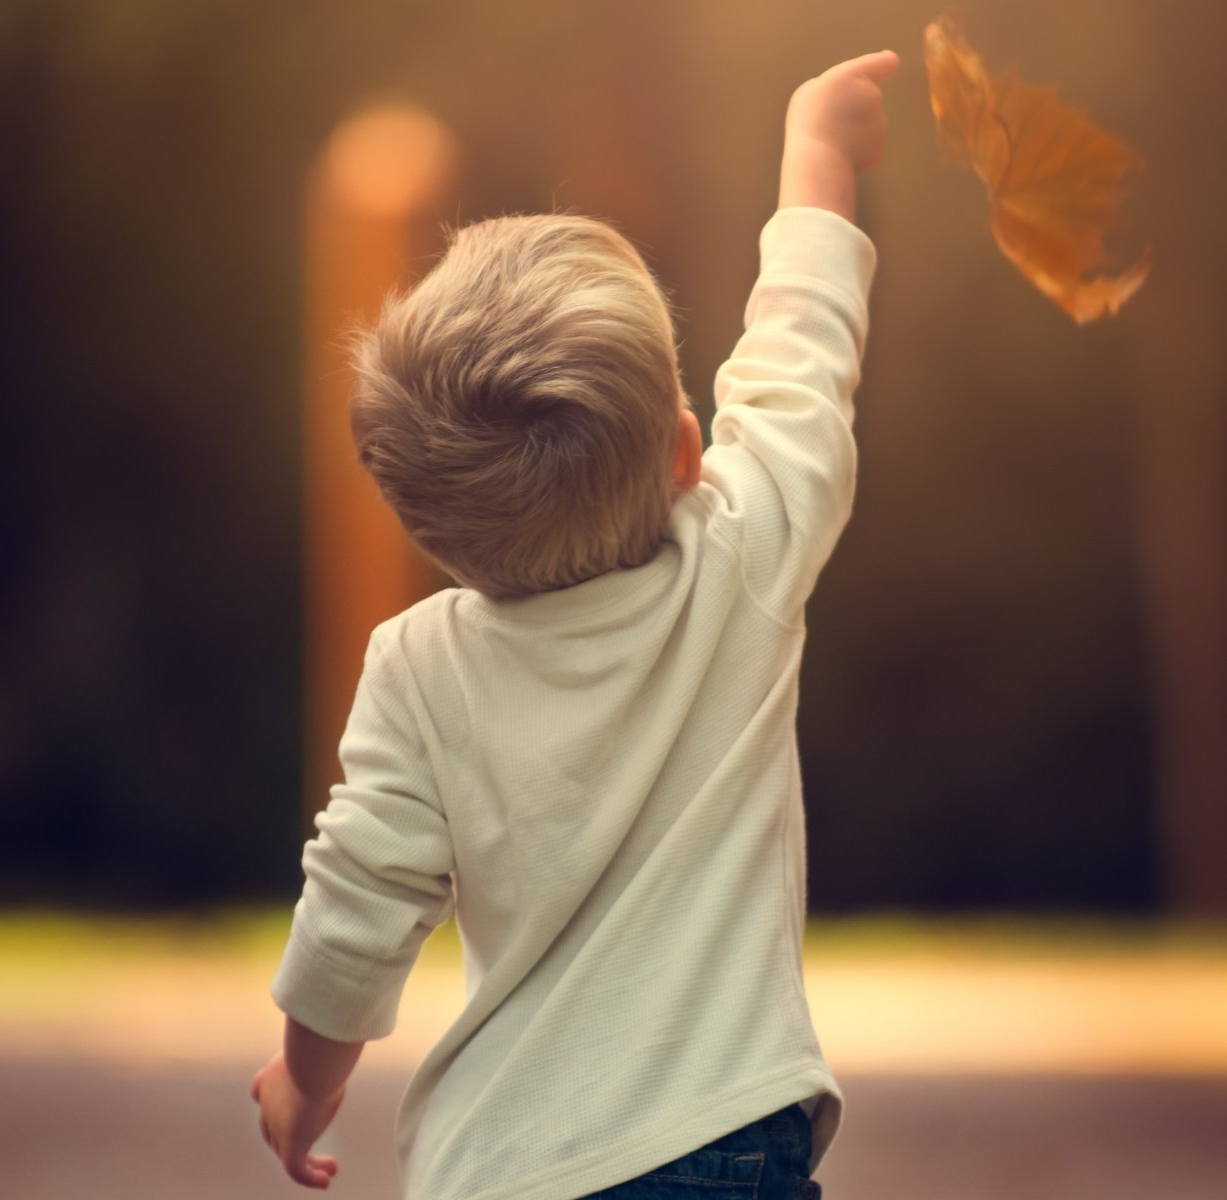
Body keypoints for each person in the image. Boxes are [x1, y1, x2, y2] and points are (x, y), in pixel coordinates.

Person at [249, 47, 899, 1199]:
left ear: (426, 529)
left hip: (496, 1165)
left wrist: (307, 1076)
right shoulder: (738, 561)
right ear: (687, 454)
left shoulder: (419, 667)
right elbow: (803, 361)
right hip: (721, 1142)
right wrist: (817, 150)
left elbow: (359, 899)